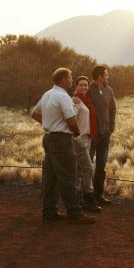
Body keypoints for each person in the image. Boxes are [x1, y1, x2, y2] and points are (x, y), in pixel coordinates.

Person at [31, 67, 96, 224]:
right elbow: (72, 120)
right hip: (61, 140)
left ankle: (49, 211)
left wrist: (48, 124)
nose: (72, 80)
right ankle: (75, 213)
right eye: (70, 77)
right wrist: (76, 133)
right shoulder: (63, 96)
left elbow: (34, 113)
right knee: (68, 176)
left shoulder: (47, 94)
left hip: (49, 138)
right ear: (63, 80)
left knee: (50, 177)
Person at [71, 76, 102, 213]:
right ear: (76, 86)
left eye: (85, 85)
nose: (83, 87)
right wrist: (77, 137)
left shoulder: (86, 101)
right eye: (81, 85)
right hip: (79, 138)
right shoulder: (76, 101)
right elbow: (71, 119)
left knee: (79, 170)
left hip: (87, 138)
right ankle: (88, 198)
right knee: (89, 169)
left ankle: (78, 200)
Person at [87, 65, 117, 205]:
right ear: (99, 76)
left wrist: (111, 128)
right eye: (106, 74)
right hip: (92, 134)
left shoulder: (109, 90)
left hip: (105, 134)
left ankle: (98, 195)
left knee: (101, 166)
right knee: (87, 165)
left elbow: (113, 109)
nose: (108, 76)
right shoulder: (88, 89)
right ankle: (86, 196)